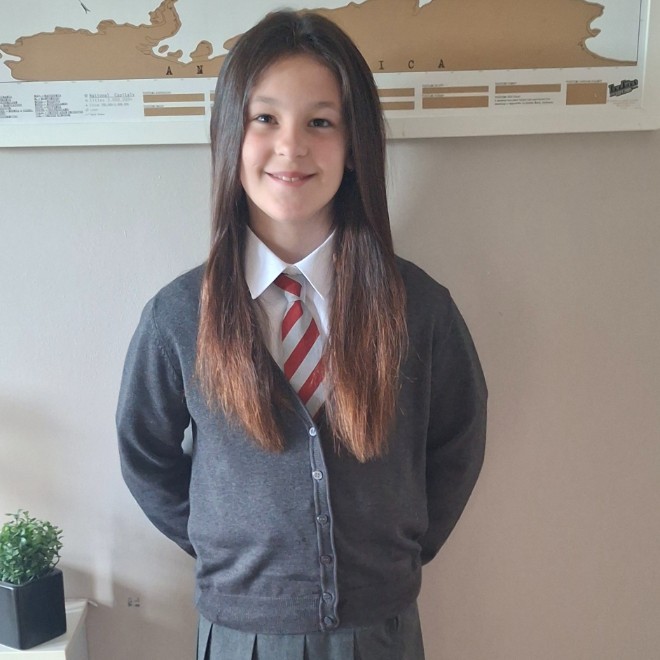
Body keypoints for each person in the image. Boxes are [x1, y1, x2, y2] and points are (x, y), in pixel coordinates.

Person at [116, 10, 487, 660]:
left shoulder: (418, 308)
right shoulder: (178, 316)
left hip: (380, 629)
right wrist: (225, 549)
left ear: (355, 145)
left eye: (320, 122)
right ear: (230, 135)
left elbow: (458, 439)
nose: (291, 147)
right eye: (265, 118)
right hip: (241, 631)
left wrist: (397, 549)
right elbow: (145, 452)